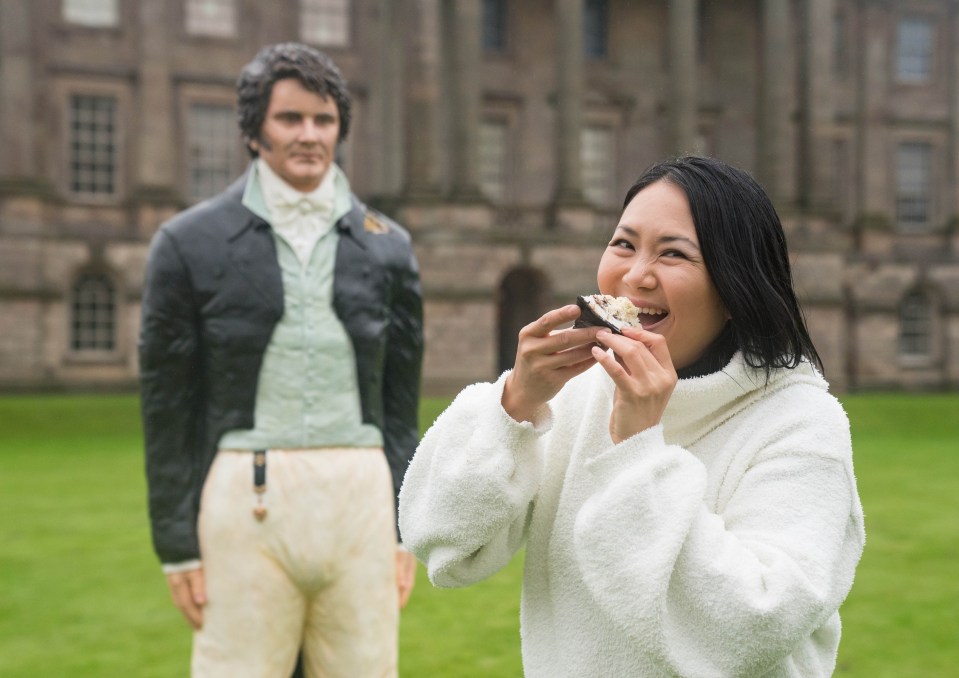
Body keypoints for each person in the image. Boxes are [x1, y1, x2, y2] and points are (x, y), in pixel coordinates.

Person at [399, 155, 865, 677]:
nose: (635, 275)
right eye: (624, 244)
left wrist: (639, 448)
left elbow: (751, 626)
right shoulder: (579, 394)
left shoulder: (801, 422)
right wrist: (515, 406)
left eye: (673, 254)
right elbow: (444, 541)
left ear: (736, 287)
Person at [139, 42, 423, 677]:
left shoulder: (390, 249)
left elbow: (400, 408)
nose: (309, 135)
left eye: (323, 120)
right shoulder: (188, 244)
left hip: (362, 496)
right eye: (289, 119)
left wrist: (405, 527)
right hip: (245, 495)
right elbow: (166, 406)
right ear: (252, 130)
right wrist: (177, 545)